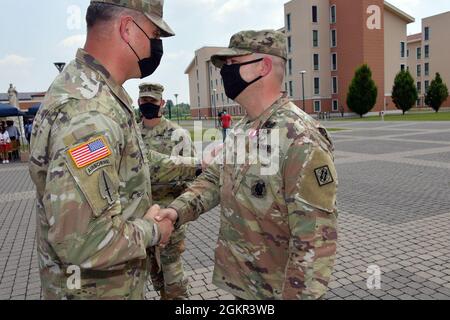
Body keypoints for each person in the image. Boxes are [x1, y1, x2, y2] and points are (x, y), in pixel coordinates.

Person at [155, 30, 338, 300]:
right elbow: (213, 180)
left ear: (263, 67)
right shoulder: (243, 129)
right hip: (246, 287)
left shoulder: (300, 138)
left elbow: (315, 242)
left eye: (232, 64)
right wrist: (175, 212)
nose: (224, 73)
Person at [29, 0, 176, 300]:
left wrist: (197, 164)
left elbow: (133, 165)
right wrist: (154, 231)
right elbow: (83, 241)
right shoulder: (90, 114)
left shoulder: (94, 92)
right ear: (127, 29)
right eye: (154, 34)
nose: (156, 46)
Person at [139, 82, 199, 300]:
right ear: (138, 102)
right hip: (141, 218)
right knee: (154, 274)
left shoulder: (178, 135)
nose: (147, 104)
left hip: (169, 218)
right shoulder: (132, 135)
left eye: (152, 101)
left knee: (173, 277)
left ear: (162, 103)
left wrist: (179, 213)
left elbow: (193, 176)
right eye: (144, 101)